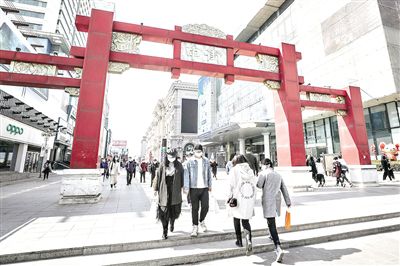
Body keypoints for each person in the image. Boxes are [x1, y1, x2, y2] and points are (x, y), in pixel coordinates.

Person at [257, 158, 291, 263]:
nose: (261, 166)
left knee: (271, 223)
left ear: (266, 165)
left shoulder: (264, 173)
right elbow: (284, 188)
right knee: (271, 221)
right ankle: (271, 236)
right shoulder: (278, 174)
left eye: (261, 165)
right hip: (277, 201)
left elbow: (258, 185)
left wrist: (259, 176)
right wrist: (288, 201)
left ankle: (278, 248)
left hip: (268, 201)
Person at [228, 154, 257, 255]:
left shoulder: (234, 170)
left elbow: (230, 185)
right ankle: (248, 240)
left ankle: (239, 241)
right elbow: (254, 184)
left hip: (237, 198)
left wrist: (229, 196)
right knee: (245, 221)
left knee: (236, 218)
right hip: (248, 198)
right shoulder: (250, 170)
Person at [153, 148, 184, 239]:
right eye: (170, 156)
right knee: (163, 211)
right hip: (164, 189)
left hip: (175, 189)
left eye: (173, 157)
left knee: (173, 210)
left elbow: (182, 177)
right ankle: (164, 231)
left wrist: (183, 187)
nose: (171, 158)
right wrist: (155, 189)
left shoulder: (179, 165)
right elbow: (157, 177)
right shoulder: (162, 165)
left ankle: (172, 222)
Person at [184, 144, 212, 237]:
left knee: (206, 206)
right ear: (194, 151)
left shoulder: (206, 161)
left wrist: (210, 185)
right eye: (197, 151)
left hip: (204, 188)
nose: (198, 153)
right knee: (194, 209)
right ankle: (195, 227)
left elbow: (209, 174)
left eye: (200, 151)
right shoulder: (189, 162)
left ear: (202, 152)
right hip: (193, 188)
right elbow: (186, 176)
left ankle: (201, 220)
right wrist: (186, 188)